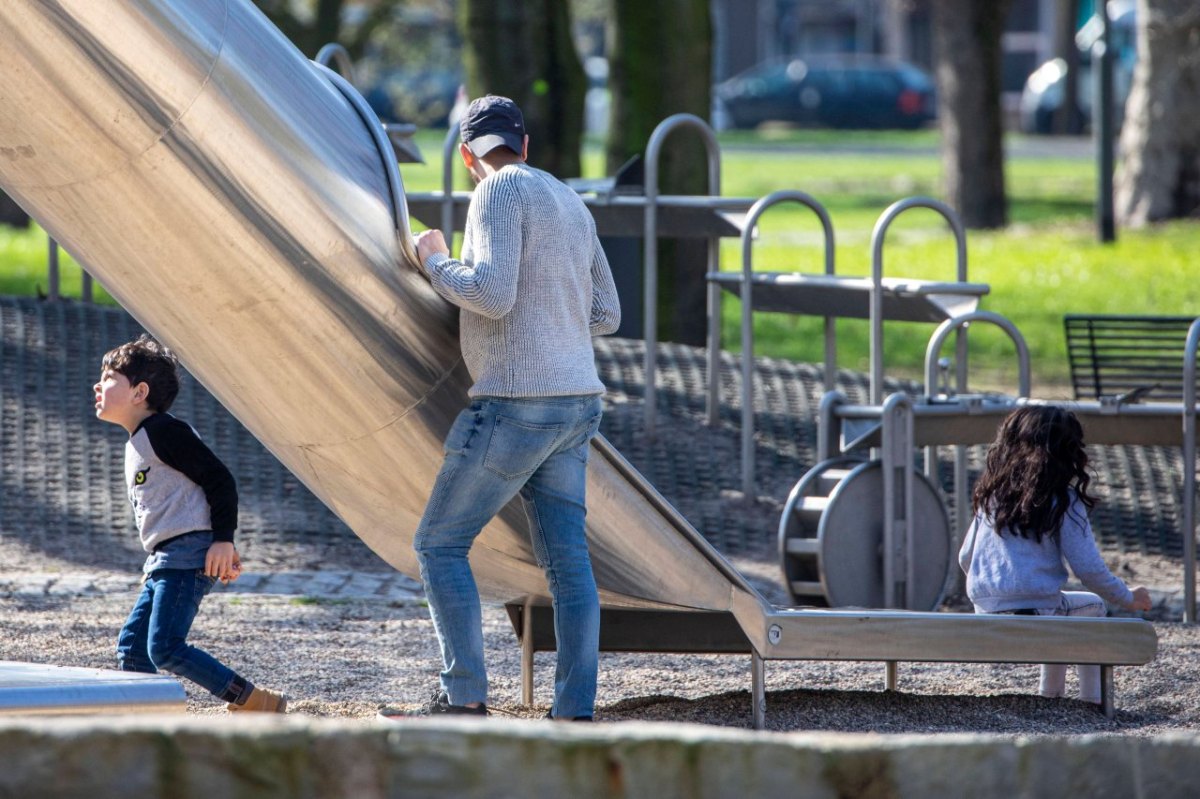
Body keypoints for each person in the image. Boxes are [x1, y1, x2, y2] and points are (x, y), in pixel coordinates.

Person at [403, 95, 620, 721]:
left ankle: (464, 695)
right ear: (525, 144)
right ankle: (574, 710)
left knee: (440, 544)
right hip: (578, 403)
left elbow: (492, 295)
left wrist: (435, 259)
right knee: (568, 568)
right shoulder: (570, 199)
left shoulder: (496, 191)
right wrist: (554, 311)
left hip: (516, 402)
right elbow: (607, 313)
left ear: (470, 155)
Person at [94, 335, 286, 713]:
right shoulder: (139, 441)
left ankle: (252, 700)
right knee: (133, 650)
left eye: (109, 377)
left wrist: (223, 542)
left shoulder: (164, 432)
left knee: (164, 647)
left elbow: (219, 479)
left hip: (186, 555)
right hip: (166, 557)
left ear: (139, 392)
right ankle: (147, 721)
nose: (98, 385)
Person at [958, 405, 1152, 704]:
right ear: (1069, 453)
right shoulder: (1064, 501)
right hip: (1036, 615)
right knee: (1093, 607)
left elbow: (965, 558)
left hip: (984, 614)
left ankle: (1052, 698)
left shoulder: (992, 498)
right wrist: (1128, 597)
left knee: (1062, 607)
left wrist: (996, 589)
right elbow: (1089, 570)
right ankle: (1089, 703)